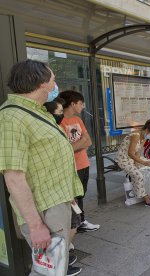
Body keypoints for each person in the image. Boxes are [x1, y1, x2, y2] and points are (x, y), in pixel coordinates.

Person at [0, 59, 84, 276]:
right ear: (40, 83)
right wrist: (36, 226)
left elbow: (48, 160)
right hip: (45, 210)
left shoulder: (36, 111)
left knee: (55, 268)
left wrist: (68, 193)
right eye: (53, 80)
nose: (55, 84)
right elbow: (14, 177)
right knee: (49, 271)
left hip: (56, 201)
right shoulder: (12, 117)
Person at [44, 98, 82, 275]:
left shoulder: (56, 129)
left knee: (72, 223)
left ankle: (62, 258)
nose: (60, 115)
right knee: (62, 229)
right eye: (58, 112)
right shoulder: (49, 132)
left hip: (66, 188)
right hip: (56, 192)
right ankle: (60, 265)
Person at [59, 90, 100, 233]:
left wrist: (75, 146)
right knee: (73, 196)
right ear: (73, 103)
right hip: (71, 167)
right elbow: (64, 150)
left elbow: (88, 141)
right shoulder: (59, 121)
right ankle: (74, 224)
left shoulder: (78, 120)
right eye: (81, 103)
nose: (83, 107)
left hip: (84, 164)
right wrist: (79, 143)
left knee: (81, 195)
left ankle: (81, 221)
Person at [115, 126, 150, 207]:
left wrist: (137, 164)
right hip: (123, 159)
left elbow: (138, 152)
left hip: (131, 159)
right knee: (138, 175)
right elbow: (131, 153)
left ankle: (145, 190)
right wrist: (142, 163)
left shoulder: (143, 137)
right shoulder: (135, 135)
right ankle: (146, 199)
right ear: (147, 130)